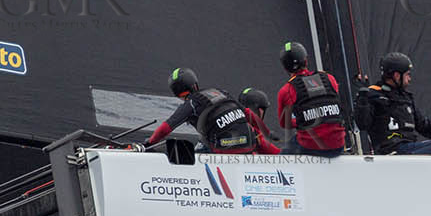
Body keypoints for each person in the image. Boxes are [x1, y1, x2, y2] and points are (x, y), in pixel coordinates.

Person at [147, 68, 280, 154]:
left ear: (176, 93)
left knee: (201, 146)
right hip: (249, 145)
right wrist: (267, 132)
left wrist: (149, 143)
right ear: (195, 84)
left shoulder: (190, 104)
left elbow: (166, 128)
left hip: (225, 150)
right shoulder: (220, 91)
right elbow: (249, 114)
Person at [354, 52, 431, 155]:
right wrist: (363, 97)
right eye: (407, 75)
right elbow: (363, 124)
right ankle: (407, 163)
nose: (409, 79)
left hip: (409, 148)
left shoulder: (406, 98)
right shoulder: (373, 94)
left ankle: (411, 162)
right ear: (396, 75)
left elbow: (428, 129)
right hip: (389, 152)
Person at [274, 41, 346, 158]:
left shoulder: (286, 90)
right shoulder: (329, 78)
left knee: (282, 159)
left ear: (285, 67)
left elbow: (285, 123)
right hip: (337, 145)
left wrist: (303, 120)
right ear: (306, 60)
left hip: (311, 148)